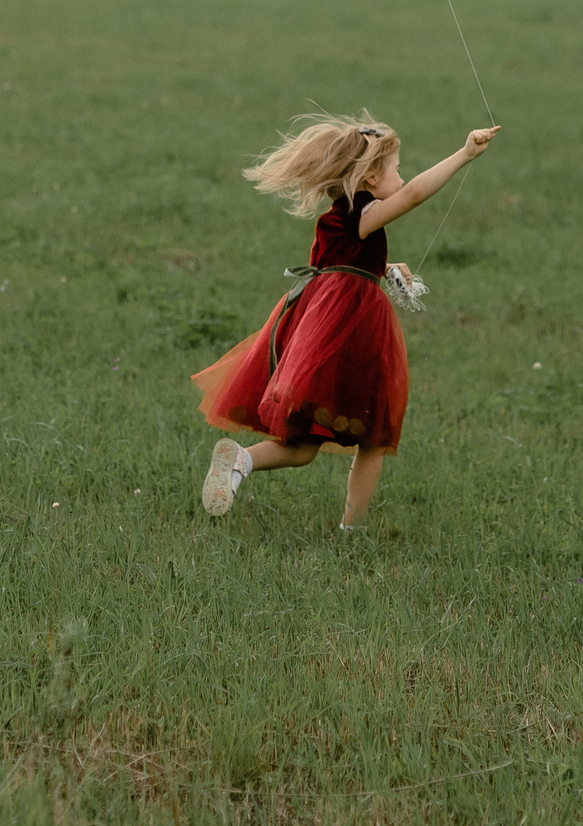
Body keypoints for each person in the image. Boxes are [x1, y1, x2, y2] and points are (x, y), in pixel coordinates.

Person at [192, 111, 499, 530]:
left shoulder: (340, 216)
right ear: (371, 178)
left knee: (301, 447)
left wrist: (384, 268)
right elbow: (410, 198)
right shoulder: (364, 211)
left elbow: (344, 266)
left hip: (318, 324)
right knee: (373, 435)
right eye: (396, 170)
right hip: (351, 330)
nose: (402, 179)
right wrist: (463, 154)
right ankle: (351, 531)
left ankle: (239, 462)